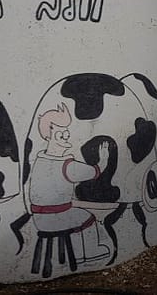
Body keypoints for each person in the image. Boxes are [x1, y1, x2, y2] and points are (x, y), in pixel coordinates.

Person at [29, 103, 110, 263]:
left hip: (38, 218)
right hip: (55, 216)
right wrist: (103, 161)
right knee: (88, 218)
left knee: (75, 214)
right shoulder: (65, 164)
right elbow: (92, 172)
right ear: (49, 136)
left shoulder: (40, 160)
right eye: (61, 132)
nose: (66, 135)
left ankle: (77, 254)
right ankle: (89, 252)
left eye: (66, 131)